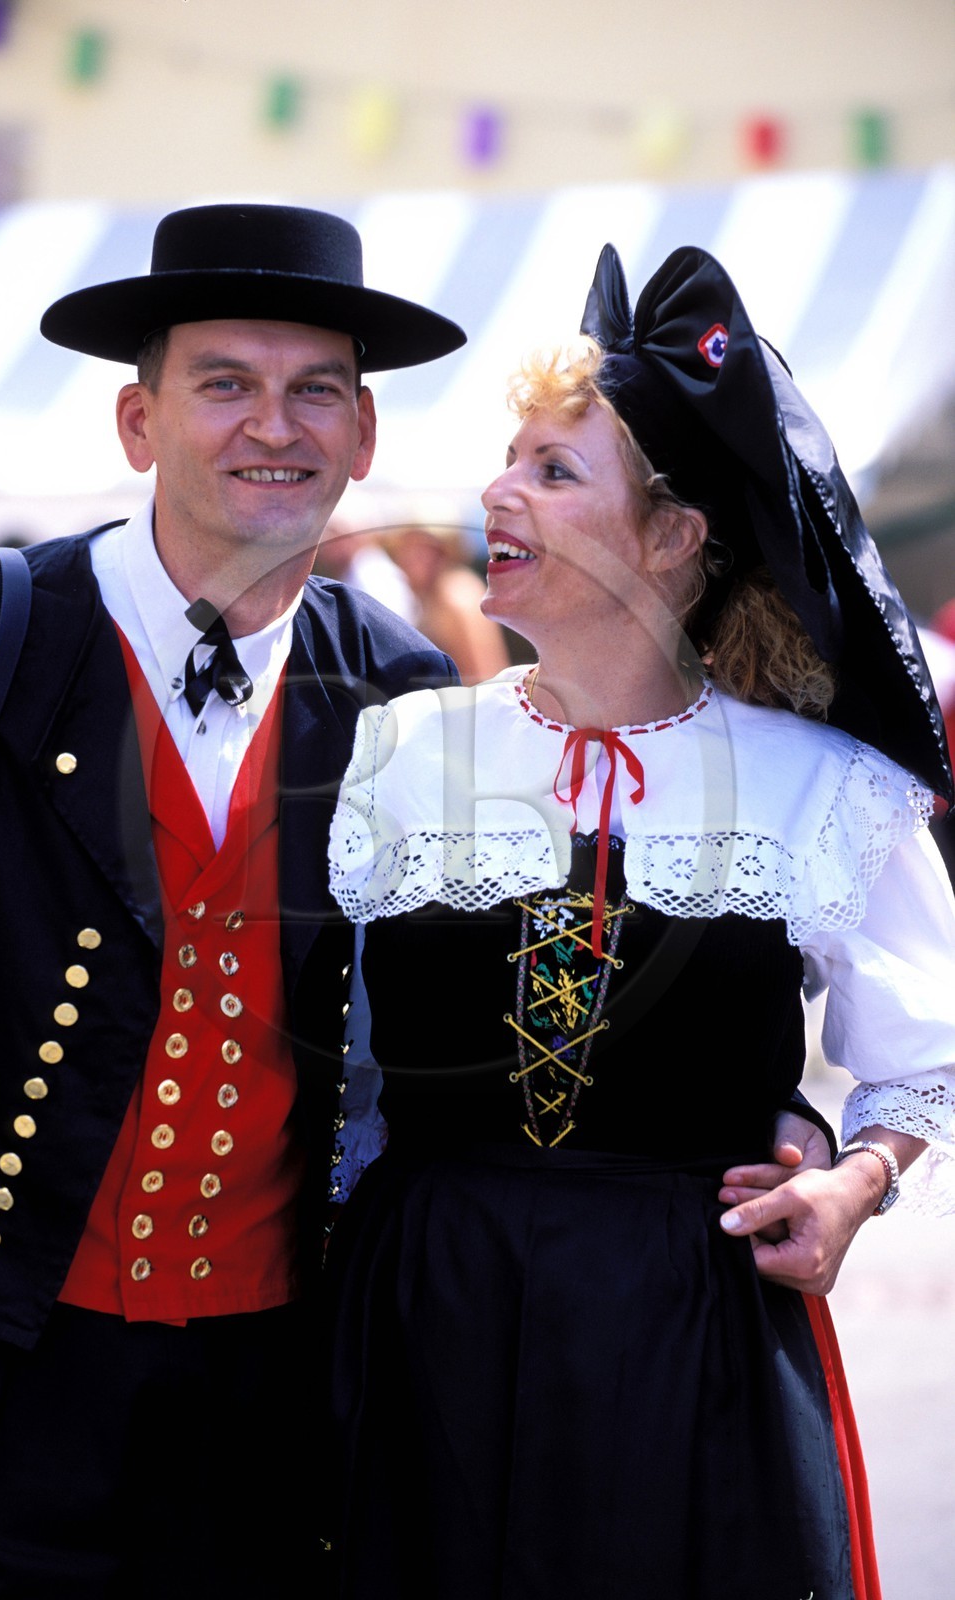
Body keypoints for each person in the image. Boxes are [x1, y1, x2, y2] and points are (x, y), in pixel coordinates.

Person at [325, 243, 955, 1598]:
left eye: (555, 472)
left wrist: (851, 1181)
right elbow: (341, 1077)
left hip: (688, 1318)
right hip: (428, 1307)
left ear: (674, 540)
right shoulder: (401, 758)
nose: (499, 490)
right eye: (508, 459)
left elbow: (925, 1059)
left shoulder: (819, 791)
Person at [0, 203, 467, 1596]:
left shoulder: (409, 698)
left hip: (262, 1403)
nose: (274, 424)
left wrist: (785, 1110)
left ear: (364, 436)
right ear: (138, 422)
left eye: (314, 389)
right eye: (225, 383)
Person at [387, 521, 512, 683]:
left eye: (422, 550)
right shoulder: (430, 595)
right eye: (406, 548)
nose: (410, 558)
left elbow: (483, 676)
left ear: (446, 551)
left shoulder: (457, 594)